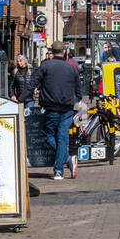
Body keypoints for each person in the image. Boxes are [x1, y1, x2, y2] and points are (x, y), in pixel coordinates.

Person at [33, 41, 82, 181]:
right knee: (62, 138)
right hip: (67, 108)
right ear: (64, 51)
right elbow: (79, 89)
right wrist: (76, 100)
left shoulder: (45, 66)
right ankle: (60, 170)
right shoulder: (71, 68)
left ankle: (65, 161)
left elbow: (33, 82)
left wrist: (20, 97)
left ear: (51, 52)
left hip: (51, 108)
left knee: (48, 134)